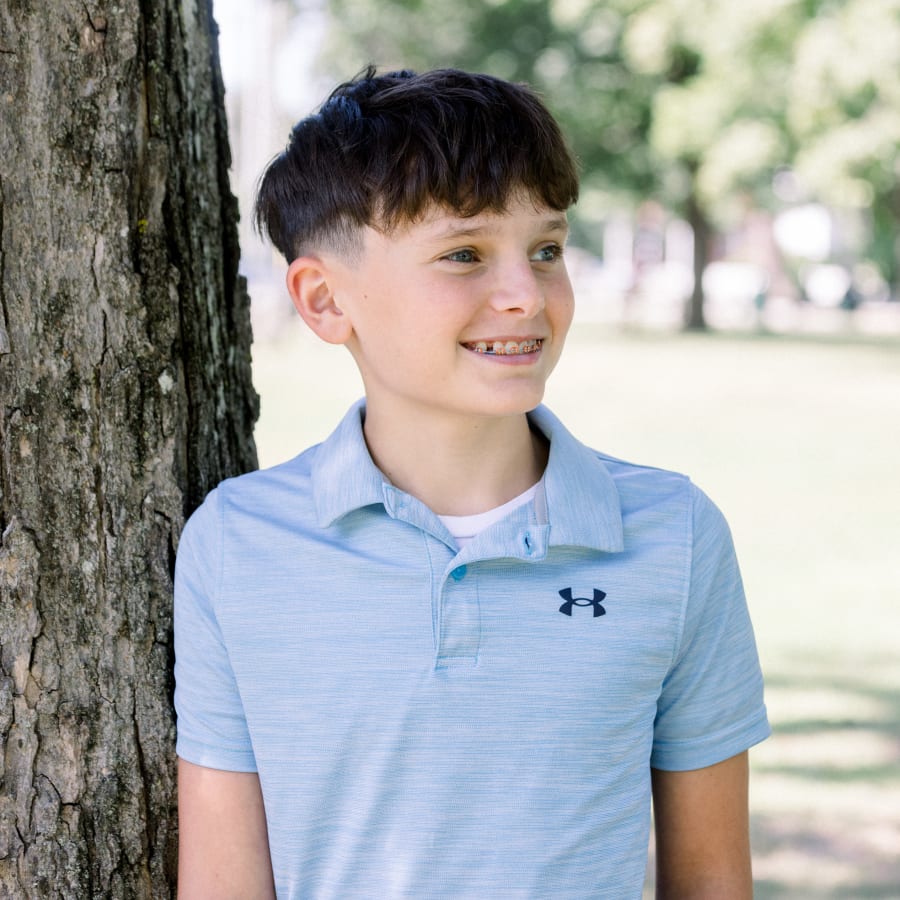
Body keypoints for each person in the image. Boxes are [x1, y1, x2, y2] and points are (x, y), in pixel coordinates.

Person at [174, 67, 770, 899]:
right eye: (464, 254)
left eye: (547, 250)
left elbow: (710, 881)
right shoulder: (237, 545)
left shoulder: (675, 537)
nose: (525, 295)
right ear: (323, 300)